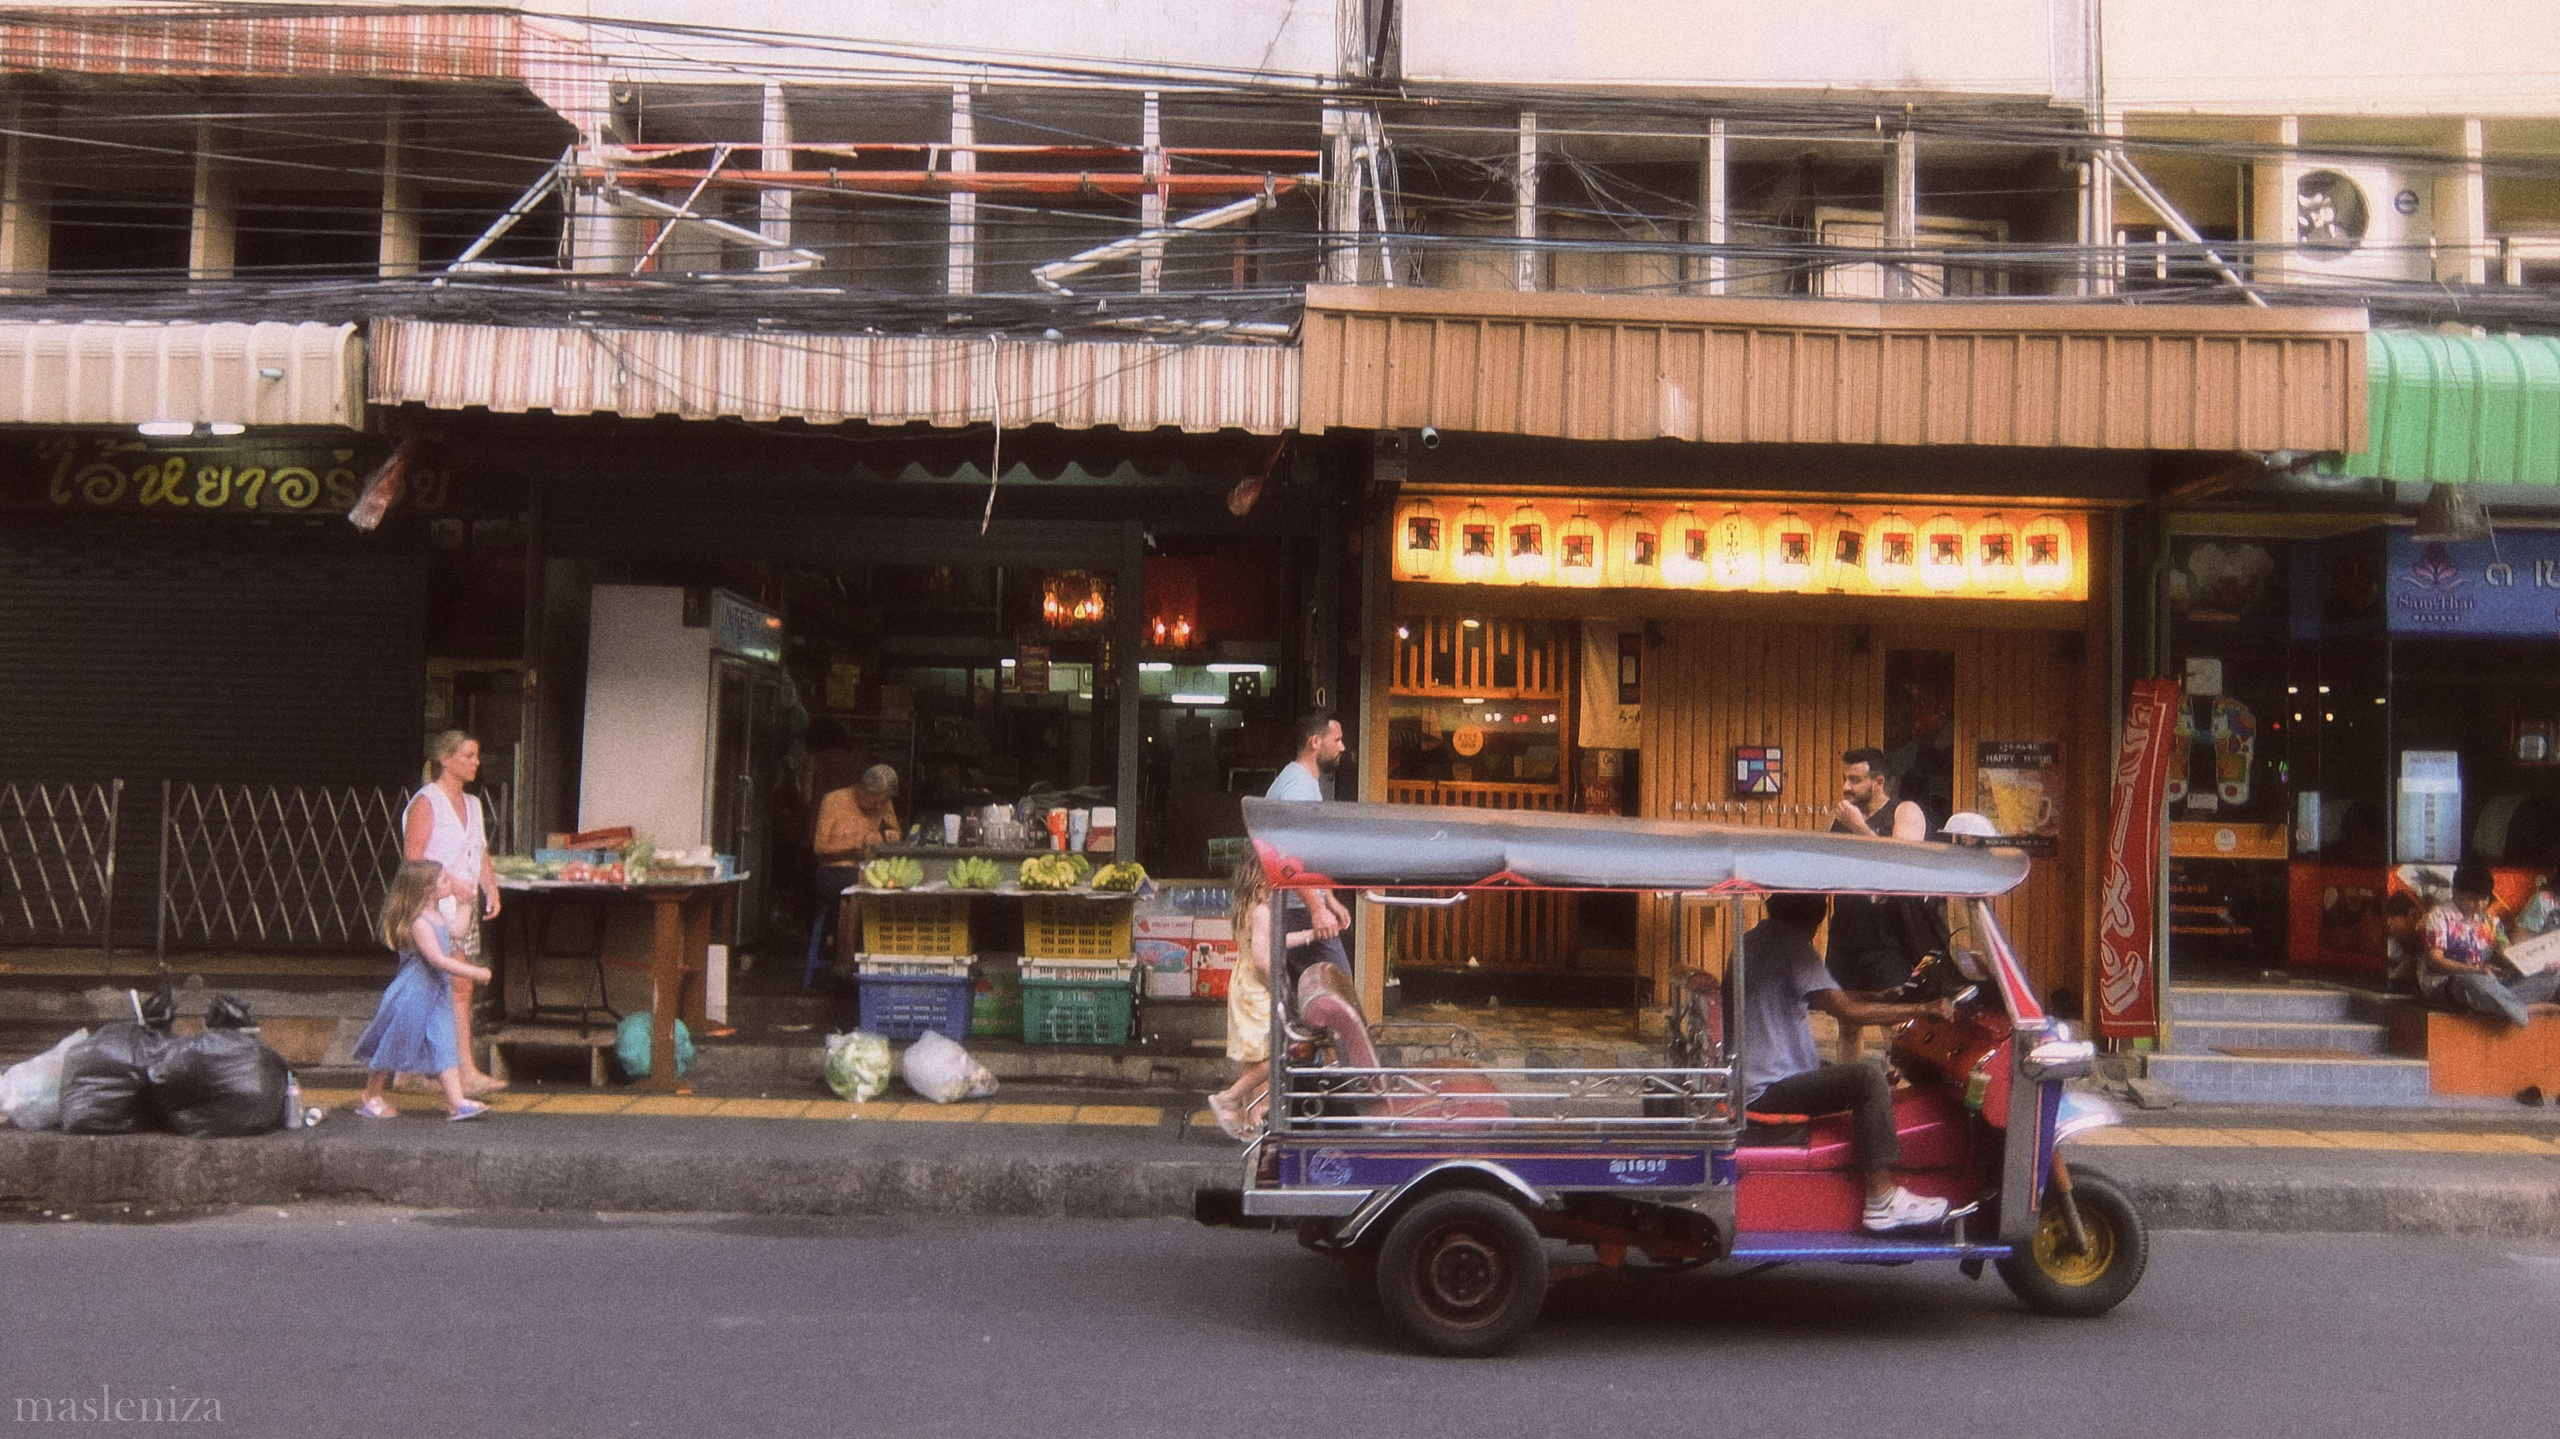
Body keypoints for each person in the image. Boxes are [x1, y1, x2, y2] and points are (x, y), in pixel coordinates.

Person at [1739, 891, 1958, 1233]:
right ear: (1817, 919)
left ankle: (1872, 1168)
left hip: (1758, 1078)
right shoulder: (1794, 945)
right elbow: (1848, 1013)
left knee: (1846, 1073)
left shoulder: (1756, 939)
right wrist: (1924, 1009)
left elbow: (1824, 997)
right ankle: (1882, 1199)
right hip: (1767, 1089)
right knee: (1868, 1077)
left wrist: (1876, 997)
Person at [350, 860, 494, 1122]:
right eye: (443, 880)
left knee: (445, 1042)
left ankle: (457, 1101)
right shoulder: (419, 923)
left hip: (437, 991)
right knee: (396, 1041)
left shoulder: (437, 914)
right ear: (427, 888)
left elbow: (459, 931)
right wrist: (475, 972)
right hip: (414, 993)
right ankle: (371, 1094)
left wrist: (465, 903)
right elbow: (438, 959)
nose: (449, 882)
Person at [402, 730, 503, 1098]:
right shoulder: (427, 802)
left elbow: (480, 850)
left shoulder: (473, 804)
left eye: (476, 755)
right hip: (434, 905)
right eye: (469, 755)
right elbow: (414, 858)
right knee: (449, 985)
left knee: (451, 987)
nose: (476, 762)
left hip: (463, 903)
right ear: (446, 759)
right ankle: (465, 1070)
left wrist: (489, 887)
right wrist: (428, 901)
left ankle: (409, 1070)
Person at [1827, 746, 1935, 1056]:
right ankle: (1847, 1092)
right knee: (1847, 1023)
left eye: (1855, 779)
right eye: (1845, 779)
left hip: (1889, 939)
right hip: (1846, 934)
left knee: (1895, 1027)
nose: (1846, 787)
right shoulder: (1841, 817)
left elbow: (1900, 864)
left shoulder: (1905, 811)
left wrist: (1858, 827)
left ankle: (1900, 1097)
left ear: (1879, 781)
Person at [1205, 850, 1313, 1141]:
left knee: (1256, 1056)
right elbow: (1263, 959)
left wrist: (1308, 935)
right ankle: (1228, 1097)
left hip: (1242, 984)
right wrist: (1280, 987)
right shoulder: (1263, 912)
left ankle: (1251, 1118)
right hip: (1257, 988)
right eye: (1273, 879)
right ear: (1260, 882)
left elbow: (1269, 940)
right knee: (1278, 1050)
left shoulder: (1245, 909)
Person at [1265, 710, 1352, 986]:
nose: (1343, 747)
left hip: (1296, 906)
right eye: (1336, 740)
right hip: (1296, 909)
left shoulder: (1301, 782)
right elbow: (1289, 858)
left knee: (1308, 996)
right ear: (1315, 742)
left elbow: (1308, 853)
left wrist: (1329, 899)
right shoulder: (1298, 787)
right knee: (1337, 990)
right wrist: (1316, 908)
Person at [2421, 862, 2560, 1029]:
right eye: (2472, 899)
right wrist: (2474, 970)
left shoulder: (2489, 921)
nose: (2479, 905)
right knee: (2475, 983)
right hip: (2452, 982)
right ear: (2456, 893)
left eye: (2484, 899)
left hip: (2490, 981)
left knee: (2551, 977)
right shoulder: (2439, 917)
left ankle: (2495, 1007)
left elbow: (2510, 954)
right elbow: (2434, 962)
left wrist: (2540, 965)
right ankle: (2525, 1009)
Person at [813, 764, 901, 962]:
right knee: (855, 891)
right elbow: (819, 847)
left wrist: (891, 835)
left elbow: (895, 831)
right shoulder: (834, 800)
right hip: (833, 871)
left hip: (867, 870)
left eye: (884, 803)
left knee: (886, 887)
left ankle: (876, 958)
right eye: (876, 802)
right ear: (862, 789)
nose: (880, 808)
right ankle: (846, 960)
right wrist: (858, 843)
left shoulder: (883, 802)